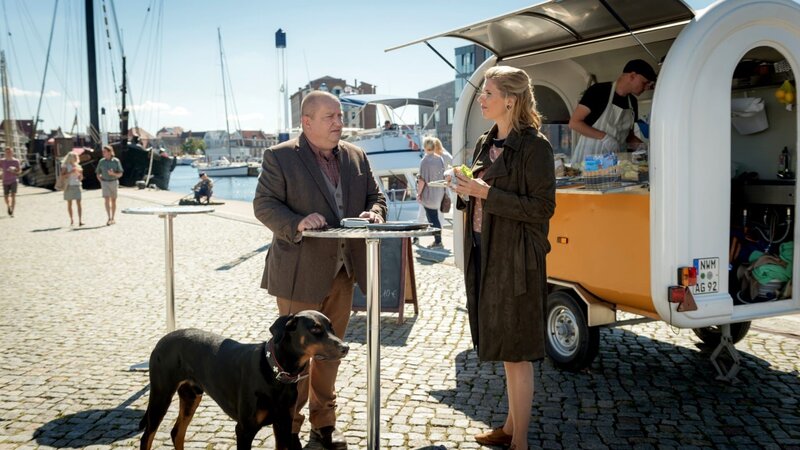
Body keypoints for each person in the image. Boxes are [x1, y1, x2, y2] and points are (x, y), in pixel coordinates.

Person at [253, 90, 387, 450]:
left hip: (344, 274)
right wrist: (296, 222)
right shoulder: (280, 157)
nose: (339, 123)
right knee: (294, 361)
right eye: (330, 117)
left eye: (340, 116)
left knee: (329, 353)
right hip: (299, 274)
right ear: (306, 122)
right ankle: (289, 428)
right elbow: (264, 205)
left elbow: (378, 196)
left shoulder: (356, 156)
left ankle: (324, 425)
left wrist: (374, 213)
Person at [451, 66, 555, 450]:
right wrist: (462, 186)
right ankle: (511, 427)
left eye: (488, 93)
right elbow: (476, 193)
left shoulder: (536, 147)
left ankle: (520, 441)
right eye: (482, 92)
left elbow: (543, 208)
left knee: (517, 351)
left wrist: (484, 192)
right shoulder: (485, 140)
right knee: (505, 347)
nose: (482, 98)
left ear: (510, 99)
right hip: (484, 251)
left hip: (517, 259)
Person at [568, 59, 657, 166]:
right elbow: (574, 123)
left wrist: (644, 148)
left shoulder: (632, 103)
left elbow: (627, 135)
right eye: (645, 82)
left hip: (613, 166)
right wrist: (604, 137)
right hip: (587, 164)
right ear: (632, 76)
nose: (647, 87)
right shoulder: (598, 91)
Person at [418, 137, 445, 248]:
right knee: (434, 217)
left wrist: (419, 194)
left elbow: (421, 180)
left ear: (425, 147)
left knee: (432, 218)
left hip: (428, 193)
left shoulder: (424, 161)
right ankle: (437, 240)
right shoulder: (440, 159)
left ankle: (438, 241)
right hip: (439, 191)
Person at [95, 145, 124, 225]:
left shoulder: (116, 161)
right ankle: (109, 217)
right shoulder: (101, 161)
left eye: (104, 151)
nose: (103, 153)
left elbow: (120, 174)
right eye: (103, 151)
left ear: (110, 152)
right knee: (106, 199)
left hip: (114, 182)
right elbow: (97, 173)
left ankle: (113, 217)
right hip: (104, 182)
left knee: (113, 200)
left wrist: (113, 173)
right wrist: (101, 181)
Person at [61, 152, 84, 226]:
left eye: (76, 156)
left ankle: (80, 220)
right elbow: (62, 176)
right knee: (69, 203)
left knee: (79, 203)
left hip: (77, 185)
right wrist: (71, 172)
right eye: (75, 156)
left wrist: (80, 175)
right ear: (70, 158)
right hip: (69, 186)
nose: (76, 158)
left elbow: (81, 178)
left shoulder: (79, 166)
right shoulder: (66, 166)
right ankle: (71, 219)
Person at [1, 147, 21, 217]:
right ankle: (9, 206)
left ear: (12, 152)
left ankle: (12, 212)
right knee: (6, 197)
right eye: (7, 152)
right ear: (5, 153)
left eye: (9, 152)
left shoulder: (16, 161)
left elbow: (19, 172)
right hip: (5, 181)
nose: (8, 153)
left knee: (13, 196)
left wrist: (14, 170)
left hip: (13, 180)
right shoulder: (2, 161)